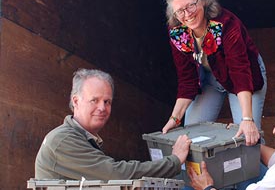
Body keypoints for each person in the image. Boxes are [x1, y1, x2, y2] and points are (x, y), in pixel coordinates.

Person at [162, 0, 267, 190]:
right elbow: (187, 80)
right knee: (190, 138)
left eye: (191, 6)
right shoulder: (177, 32)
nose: (187, 14)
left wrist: (248, 120)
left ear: (203, 0)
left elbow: (241, 72)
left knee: (246, 140)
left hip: (245, 77)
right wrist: (174, 120)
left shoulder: (226, 24)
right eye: (180, 10)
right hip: (209, 79)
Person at [35, 68, 192, 181]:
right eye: (94, 100)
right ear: (76, 101)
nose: (102, 108)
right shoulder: (63, 140)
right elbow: (116, 175)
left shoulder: (84, 138)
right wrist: (174, 161)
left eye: (107, 101)